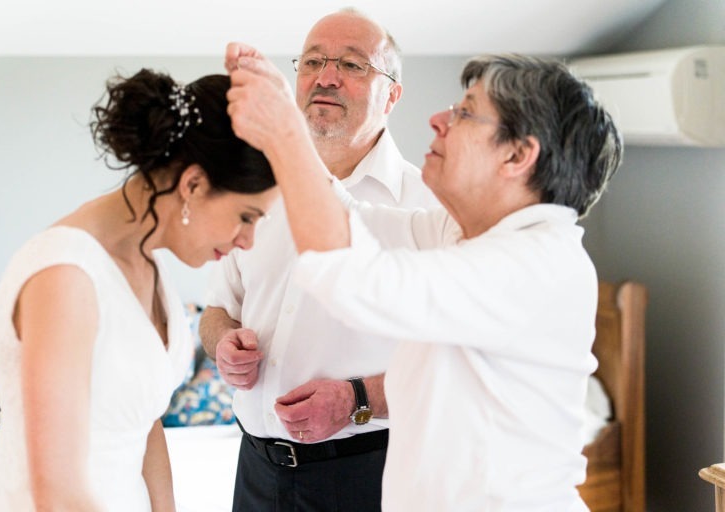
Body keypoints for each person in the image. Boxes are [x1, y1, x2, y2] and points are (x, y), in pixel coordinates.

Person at [224, 44, 623, 511]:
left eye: (465, 114)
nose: (437, 119)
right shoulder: (459, 233)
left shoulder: (534, 266)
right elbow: (349, 218)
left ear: (517, 155)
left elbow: (355, 278)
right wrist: (289, 121)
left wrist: (285, 134)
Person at [0, 70, 277, 512]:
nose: (247, 241)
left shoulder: (146, 263)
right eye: (246, 217)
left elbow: (143, 416)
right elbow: (56, 492)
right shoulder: (65, 274)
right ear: (192, 184)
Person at [198, 8, 436, 512]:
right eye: (312, 62)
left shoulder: (430, 208)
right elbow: (218, 309)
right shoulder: (256, 190)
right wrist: (222, 343)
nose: (325, 77)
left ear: (392, 94)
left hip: (369, 474)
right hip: (255, 471)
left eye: (351, 65)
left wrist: (356, 401)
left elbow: (452, 370)